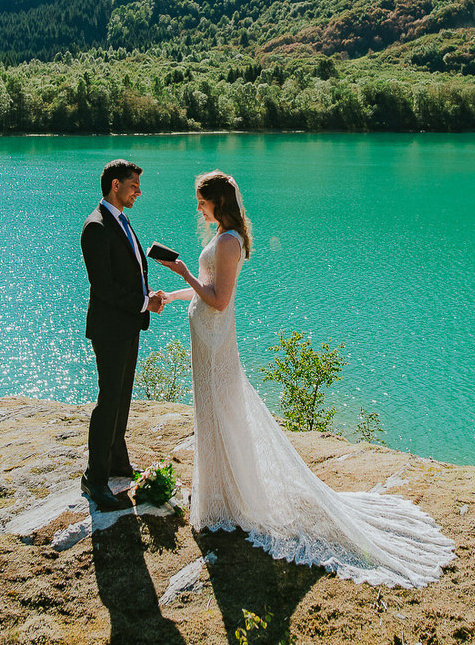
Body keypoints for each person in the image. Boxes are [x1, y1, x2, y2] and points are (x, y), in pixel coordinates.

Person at [156, 170, 455, 587]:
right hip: (205, 340)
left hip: (215, 339)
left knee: (222, 413)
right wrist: (173, 295)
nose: (198, 207)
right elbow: (207, 288)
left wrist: (183, 274)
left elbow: (220, 300)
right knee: (214, 414)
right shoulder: (224, 236)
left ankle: (229, 499)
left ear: (217, 202)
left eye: (201, 201)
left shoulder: (227, 241)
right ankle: (220, 494)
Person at [80, 159, 166, 512]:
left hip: (128, 325)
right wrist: (145, 302)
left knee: (123, 399)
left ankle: (118, 464)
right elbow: (103, 287)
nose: (138, 192)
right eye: (133, 185)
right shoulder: (96, 227)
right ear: (115, 185)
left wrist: (145, 297)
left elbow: (129, 271)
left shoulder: (121, 220)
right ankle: (94, 478)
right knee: (109, 401)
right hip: (111, 328)